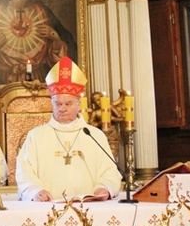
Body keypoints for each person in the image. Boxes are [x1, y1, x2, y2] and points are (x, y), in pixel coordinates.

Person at [16, 56, 121, 202]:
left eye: (68, 104)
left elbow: (109, 170)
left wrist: (105, 187)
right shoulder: (36, 136)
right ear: (52, 104)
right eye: (58, 104)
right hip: (47, 208)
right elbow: (24, 170)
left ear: (78, 105)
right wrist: (35, 191)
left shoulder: (94, 135)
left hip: (89, 207)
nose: (62, 109)